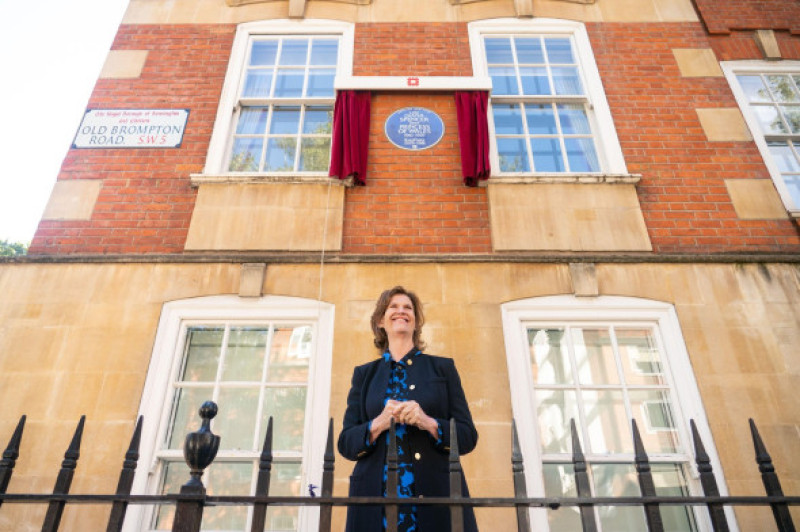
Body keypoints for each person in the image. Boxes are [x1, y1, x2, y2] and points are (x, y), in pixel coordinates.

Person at [338, 286, 479, 532]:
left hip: (435, 499)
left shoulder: (443, 369)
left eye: (408, 308)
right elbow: (346, 443)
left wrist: (428, 422)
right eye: (393, 306)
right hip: (375, 502)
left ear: (415, 322)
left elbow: (467, 436)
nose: (401, 311)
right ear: (381, 321)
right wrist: (378, 423)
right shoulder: (364, 374)